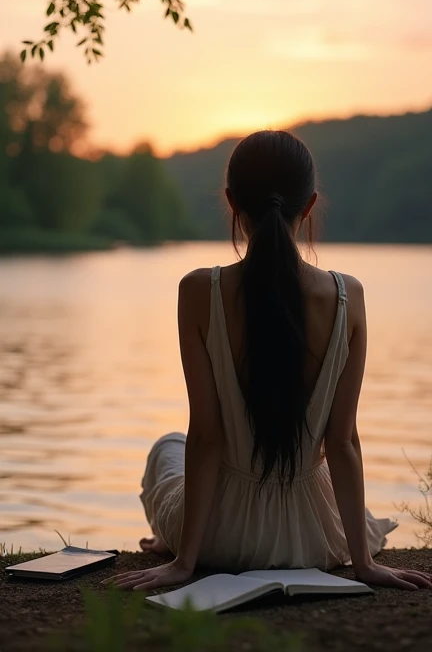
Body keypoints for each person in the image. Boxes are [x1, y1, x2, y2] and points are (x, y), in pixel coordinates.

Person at [105, 130, 432, 593]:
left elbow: (207, 437)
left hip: (218, 539)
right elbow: (342, 443)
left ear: (232, 202)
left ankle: (171, 542)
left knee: (169, 445)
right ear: (310, 203)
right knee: (316, 466)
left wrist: (184, 564)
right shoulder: (347, 296)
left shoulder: (200, 291)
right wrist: (363, 565)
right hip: (315, 539)